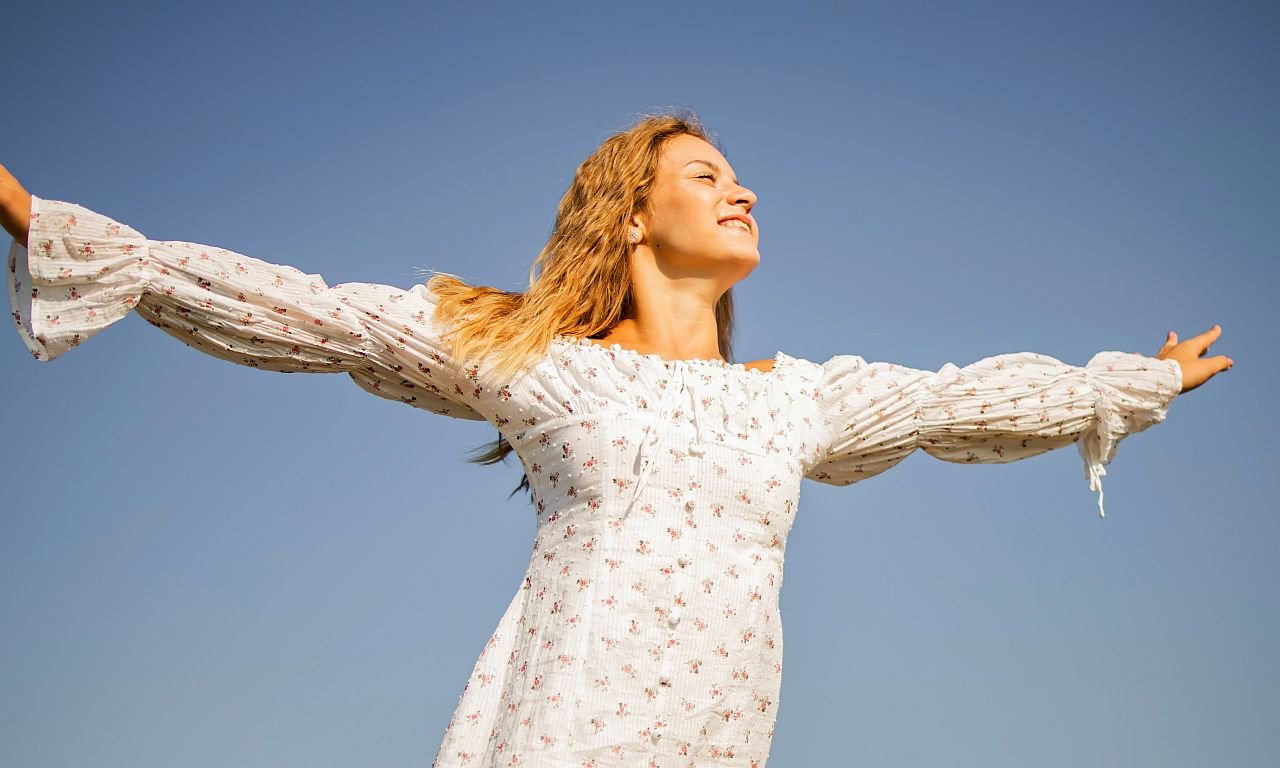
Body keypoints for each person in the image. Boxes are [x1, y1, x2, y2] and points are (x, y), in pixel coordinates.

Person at [1, 111, 1231, 767]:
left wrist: (1132, 383)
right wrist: (41, 220)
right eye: (706, 175)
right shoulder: (548, 368)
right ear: (634, 217)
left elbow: (960, 398)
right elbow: (315, 314)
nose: (741, 191)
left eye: (738, 176)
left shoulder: (791, 397)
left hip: (715, 737)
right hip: (560, 726)